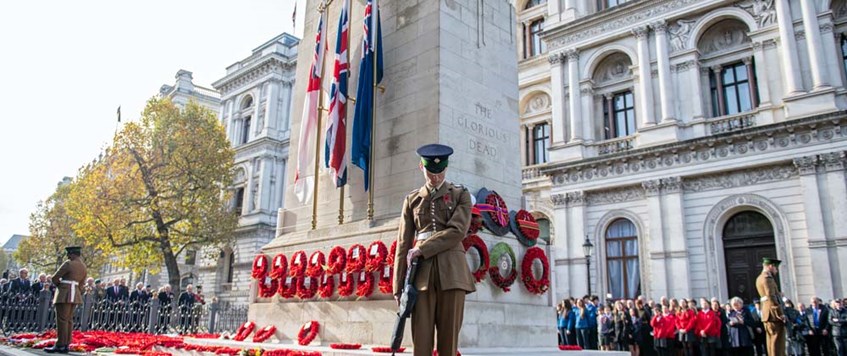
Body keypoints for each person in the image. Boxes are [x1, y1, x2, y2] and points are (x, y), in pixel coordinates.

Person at [392, 144, 475, 356]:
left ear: (446, 169)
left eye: (440, 172)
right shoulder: (412, 199)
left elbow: (457, 231)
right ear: (421, 167)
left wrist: (423, 248)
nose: (435, 177)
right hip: (421, 278)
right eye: (431, 172)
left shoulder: (460, 194)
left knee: (449, 344)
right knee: (421, 344)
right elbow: (403, 243)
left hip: (453, 274)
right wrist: (397, 285)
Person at [45, 246, 87, 354]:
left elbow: (55, 278)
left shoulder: (68, 263)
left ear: (72, 254)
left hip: (64, 293)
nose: (68, 256)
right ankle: (66, 343)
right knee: (69, 320)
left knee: (62, 320)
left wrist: (60, 285)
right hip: (75, 294)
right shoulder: (83, 266)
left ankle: (60, 344)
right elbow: (82, 284)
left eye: (69, 254)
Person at [755, 257, 785, 356]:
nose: (776, 270)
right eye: (776, 268)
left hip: (767, 313)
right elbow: (770, 296)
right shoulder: (767, 278)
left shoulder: (760, 278)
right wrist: (780, 313)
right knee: (777, 342)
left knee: (772, 341)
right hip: (773, 315)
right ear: (770, 266)